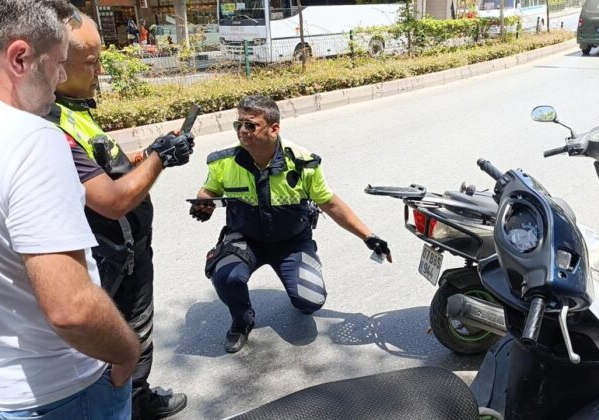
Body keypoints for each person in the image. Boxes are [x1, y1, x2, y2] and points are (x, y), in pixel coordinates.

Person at [0, 1, 140, 419]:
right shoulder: (30, 139)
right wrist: (127, 352)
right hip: (57, 392)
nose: (60, 79)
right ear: (20, 57)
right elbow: (72, 309)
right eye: (58, 64)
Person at [45, 14, 191, 420]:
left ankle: (135, 395)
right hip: (111, 256)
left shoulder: (72, 109)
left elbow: (103, 167)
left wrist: (150, 154)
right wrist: (161, 159)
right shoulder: (50, 124)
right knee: (125, 334)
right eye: (90, 62)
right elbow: (110, 200)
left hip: (127, 247)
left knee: (135, 328)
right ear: (55, 63)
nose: (100, 71)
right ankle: (125, 404)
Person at [191, 95, 392, 353]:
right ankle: (242, 320)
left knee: (311, 302)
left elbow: (330, 203)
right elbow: (208, 191)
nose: (242, 131)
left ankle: (298, 283)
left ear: (274, 129)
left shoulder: (303, 161)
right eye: (238, 124)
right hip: (245, 239)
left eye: (250, 125)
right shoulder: (223, 161)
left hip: (292, 242)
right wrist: (202, 203)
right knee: (227, 277)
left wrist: (368, 236)